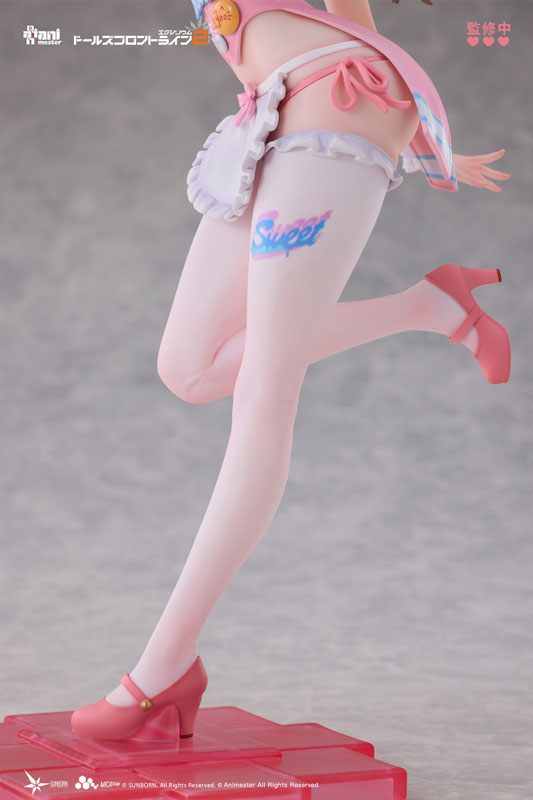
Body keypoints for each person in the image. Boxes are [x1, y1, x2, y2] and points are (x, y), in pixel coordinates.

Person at [71, 0, 510, 741]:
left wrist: (414, 120)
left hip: (335, 102)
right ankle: (431, 306)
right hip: (271, 112)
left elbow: (351, 19)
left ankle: (161, 670)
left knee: (264, 391)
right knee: (189, 366)